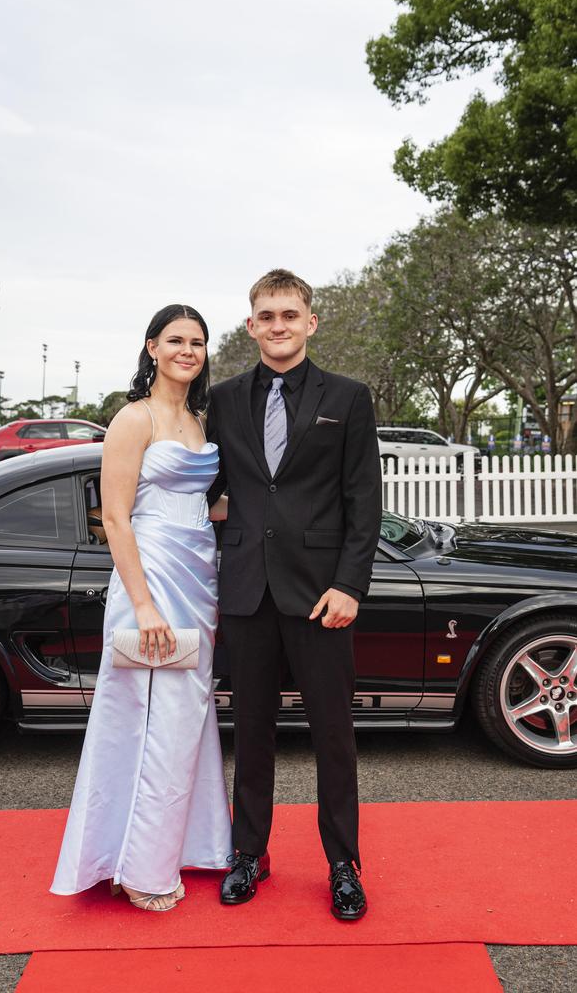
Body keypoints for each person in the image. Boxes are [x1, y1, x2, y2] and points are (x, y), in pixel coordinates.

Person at [207, 269, 382, 921]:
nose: (278, 325)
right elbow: (204, 486)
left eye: (289, 314)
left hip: (320, 598)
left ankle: (343, 864)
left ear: (311, 322)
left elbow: (364, 501)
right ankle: (249, 854)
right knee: (251, 734)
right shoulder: (223, 400)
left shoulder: (349, 397)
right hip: (248, 593)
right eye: (267, 315)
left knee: (334, 737)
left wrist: (350, 585)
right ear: (251, 325)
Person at [51, 304, 232, 911]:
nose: (189, 350)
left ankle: (186, 843)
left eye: (198, 342)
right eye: (176, 340)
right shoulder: (133, 419)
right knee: (144, 721)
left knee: (186, 717)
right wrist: (144, 605)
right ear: (151, 347)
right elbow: (117, 518)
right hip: (150, 579)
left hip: (199, 575)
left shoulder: (201, 419)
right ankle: (138, 867)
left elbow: (200, 506)